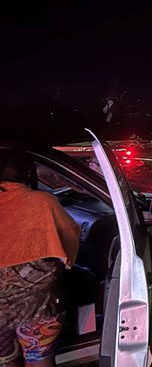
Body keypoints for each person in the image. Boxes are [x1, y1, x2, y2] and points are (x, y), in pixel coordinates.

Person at [0, 150, 80, 367]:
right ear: (28, 172)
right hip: (39, 305)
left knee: (6, 361)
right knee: (39, 361)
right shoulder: (43, 201)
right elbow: (69, 235)